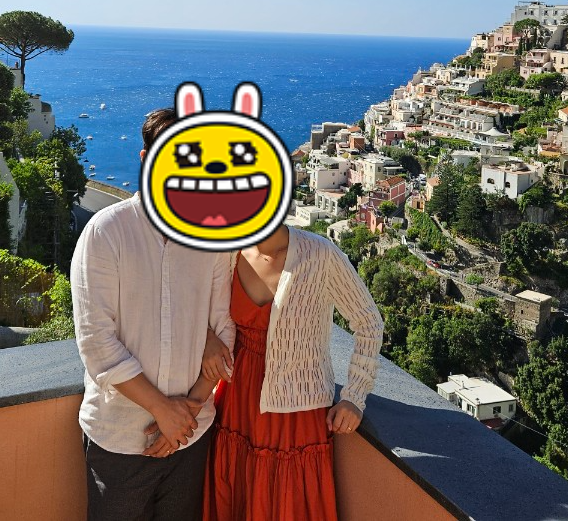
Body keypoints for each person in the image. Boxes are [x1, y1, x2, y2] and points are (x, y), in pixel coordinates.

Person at [71, 108, 236, 521]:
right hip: (119, 439)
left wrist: (186, 414)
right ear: (146, 158)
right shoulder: (107, 231)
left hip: (191, 438)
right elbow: (96, 342)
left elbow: (225, 331)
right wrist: (164, 411)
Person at [187, 222, 384, 521]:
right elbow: (195, 305)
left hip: (296, 409)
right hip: (237, 398)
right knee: (238, 491)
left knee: (286, 500)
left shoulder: (320, 254)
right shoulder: (228, 252)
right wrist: (207, 337)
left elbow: (369, 323)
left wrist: (354, 396)